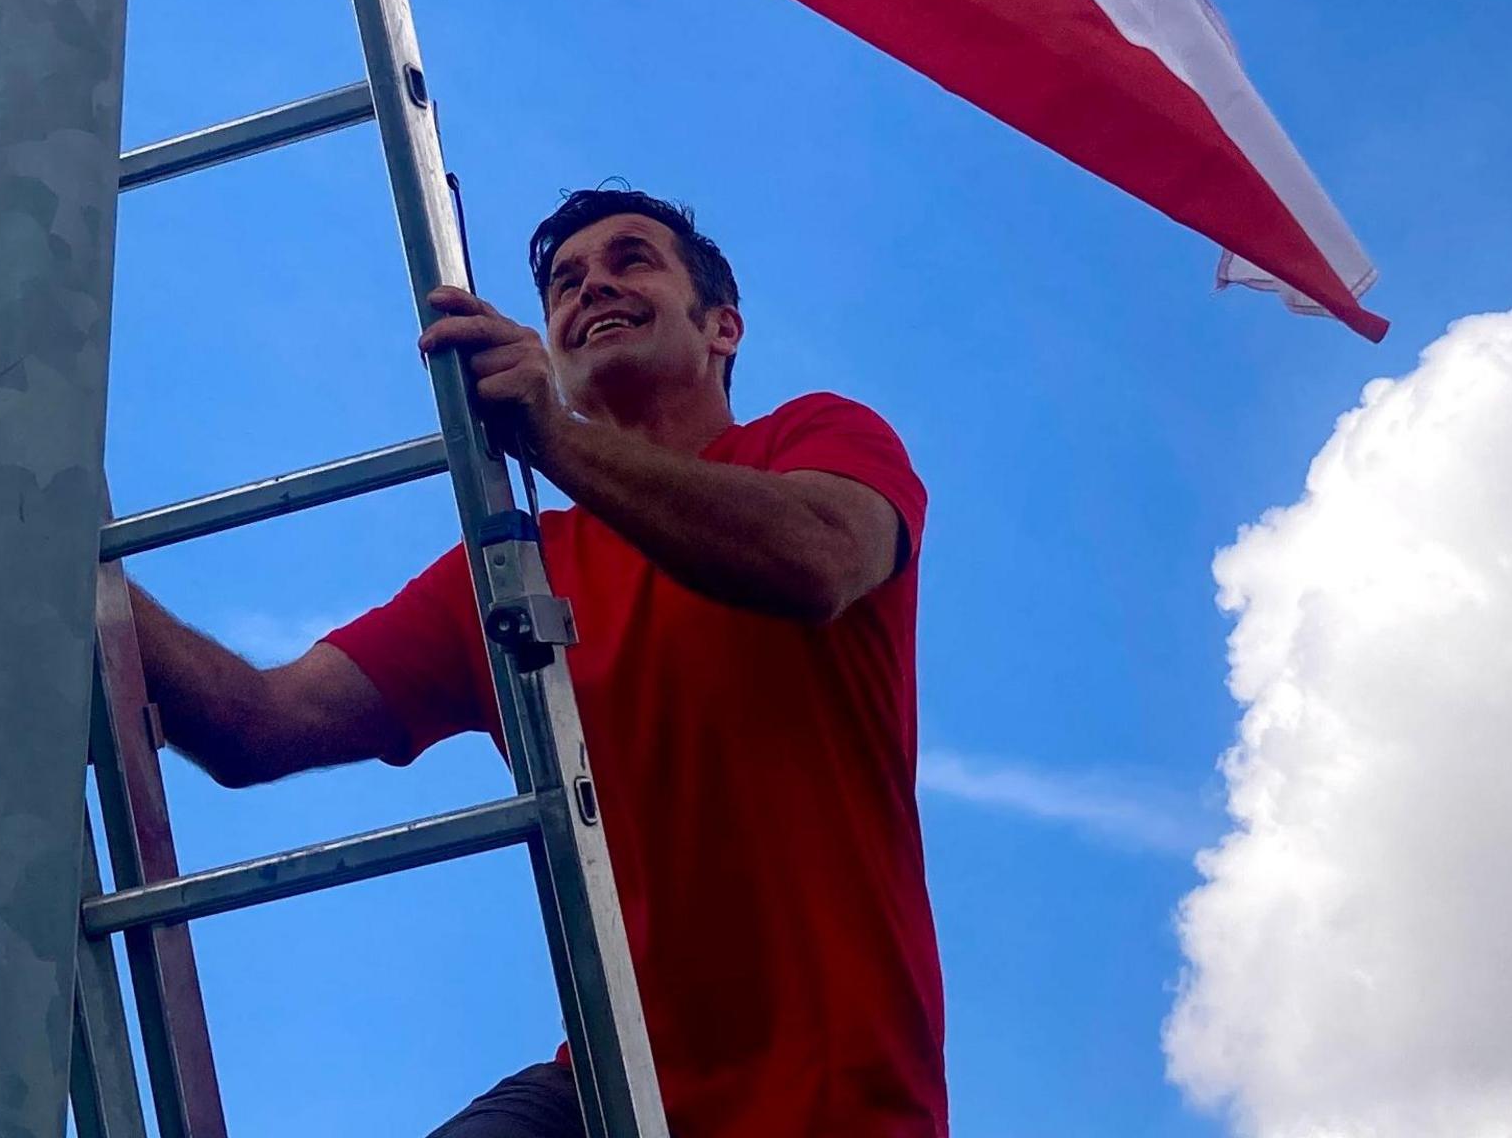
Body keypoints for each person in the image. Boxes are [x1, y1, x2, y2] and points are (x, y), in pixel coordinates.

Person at [124, 187, 947, 1137]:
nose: (592, 283)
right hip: (604, 1090)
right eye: (565, 282)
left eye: (633, 259)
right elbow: (257, 724)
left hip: (830, 1100)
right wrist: (65, 550)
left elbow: (815, 561)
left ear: (723, 327)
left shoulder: (816, 439)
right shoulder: (513, 572)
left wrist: (551, 435)